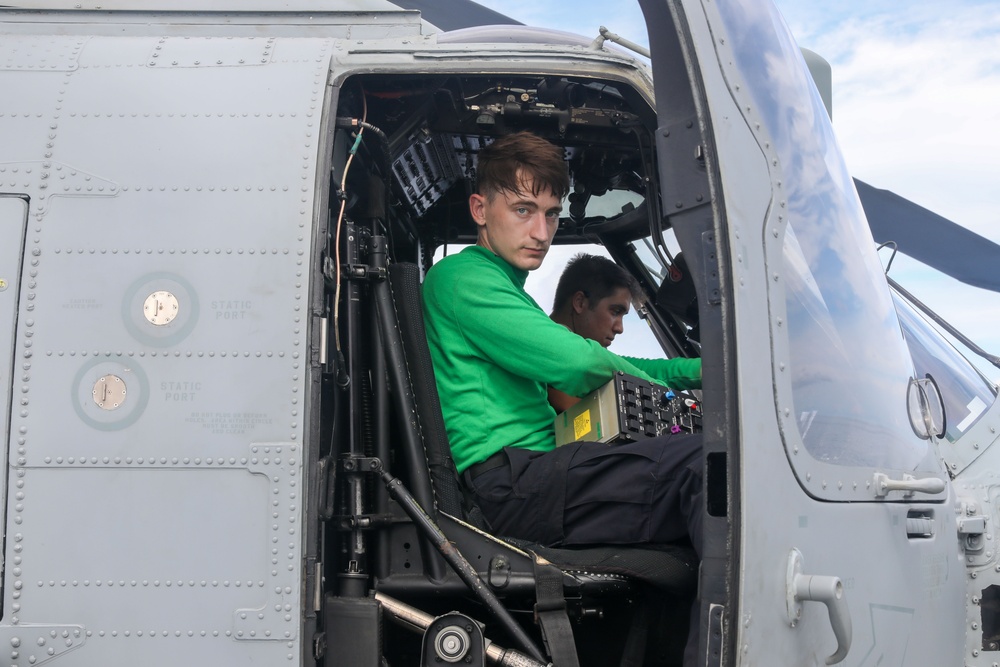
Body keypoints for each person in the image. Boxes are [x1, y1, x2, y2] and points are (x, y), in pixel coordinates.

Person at [422, 131, 703, 553]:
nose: (541, 232)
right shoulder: (464, 279)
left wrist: (707, 372)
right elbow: (579, 364)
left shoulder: (505, 289)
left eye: (551, 214)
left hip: (534, 473)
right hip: (511, 483)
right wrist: (666, 398)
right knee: (707, 465)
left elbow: (610, 361)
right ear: (480, 210)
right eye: (523, 210)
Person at [547, 253, 638, 412]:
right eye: (615, 312)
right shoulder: (552, 359)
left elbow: (640, 368)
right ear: (580, 302)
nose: (620, 328)